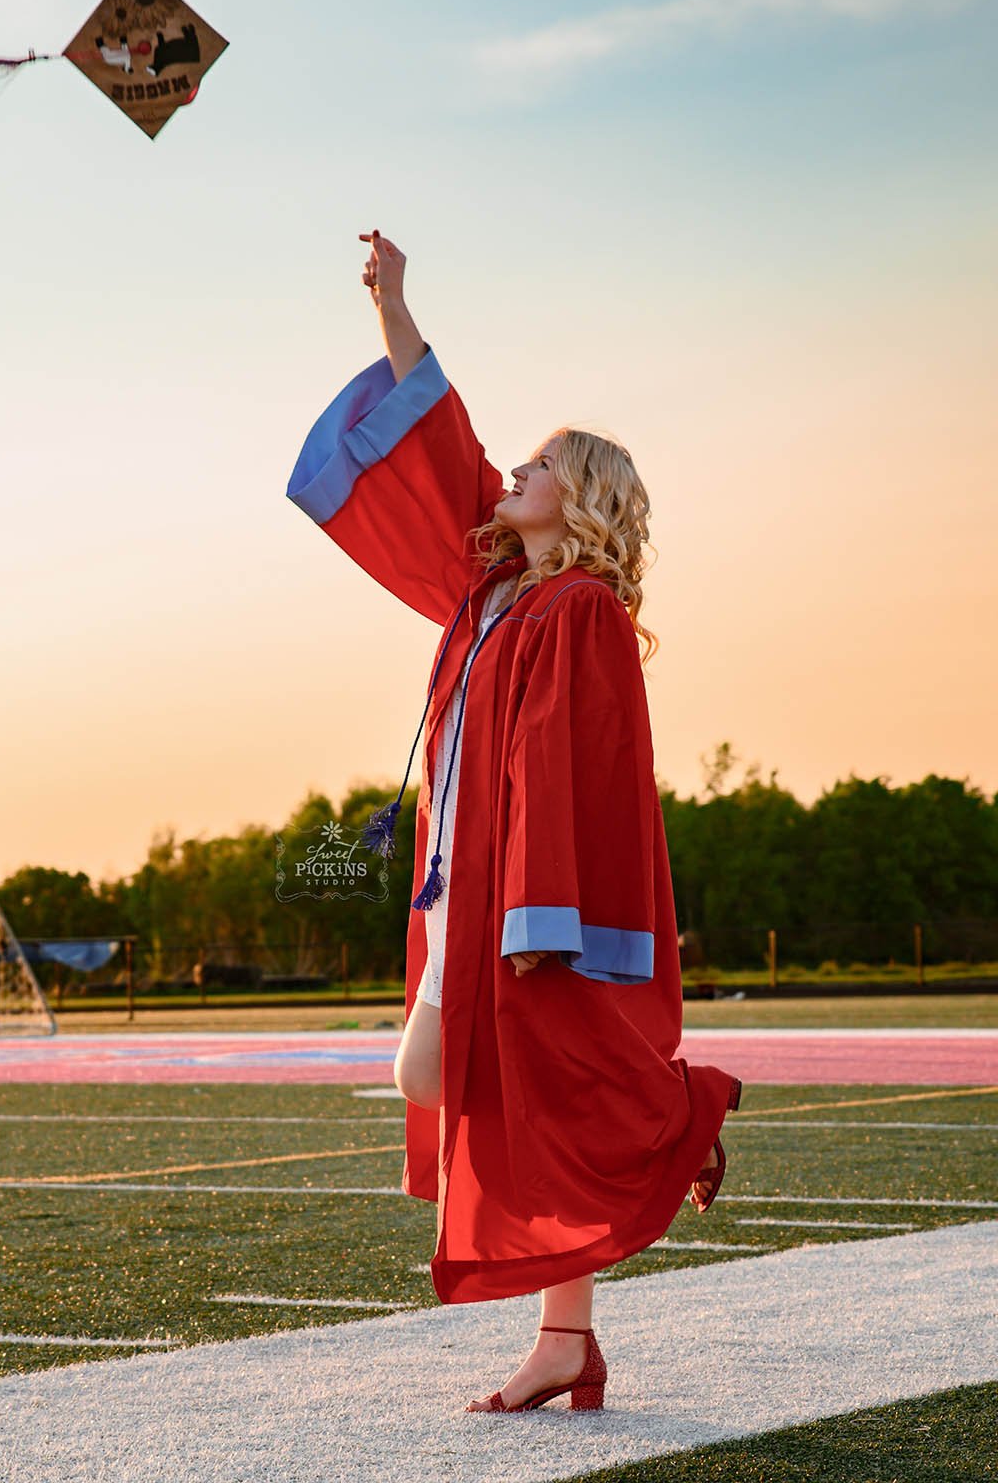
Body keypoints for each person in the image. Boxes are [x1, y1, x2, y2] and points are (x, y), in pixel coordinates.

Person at [285, 231, 743, 1415]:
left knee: (528, 1088)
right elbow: (443, 455)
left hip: (518, 903)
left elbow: (563, 768)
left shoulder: (579, 609)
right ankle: (569, 1334)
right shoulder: (490, 591)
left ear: (578, 495)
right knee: (447, 1080)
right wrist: (394, 307)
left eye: (537, 463)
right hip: (458, 889)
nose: (511, 472)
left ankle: (667, 1131)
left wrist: (537, 919)